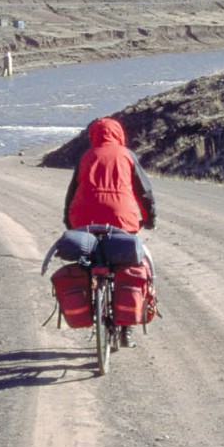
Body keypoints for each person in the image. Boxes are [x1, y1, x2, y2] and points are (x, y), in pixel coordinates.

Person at [63, 116, 156, 347]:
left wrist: (69, 221)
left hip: (85, 221)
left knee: (89, 262)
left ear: (94, 135)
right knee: (127, 266)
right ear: (119, 134)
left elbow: (72, 192)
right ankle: (126, 329)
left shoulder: (87, 156)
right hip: (122, 220)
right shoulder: (127, 155)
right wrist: (150, 218)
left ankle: (91, 305)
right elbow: (144, 191)